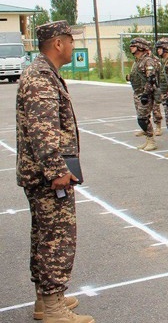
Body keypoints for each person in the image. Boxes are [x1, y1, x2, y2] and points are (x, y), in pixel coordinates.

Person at [16, 20, 94, 323]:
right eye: (70, 41)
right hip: (48, 175)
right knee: (56, 239)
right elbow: (42, 130)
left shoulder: (44, 73)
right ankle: (52, 307)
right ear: (58, 43)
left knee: (45, 236)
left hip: (42, 173)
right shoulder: (41, 78)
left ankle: (48, 299)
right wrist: (56, 169)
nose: (73, 46)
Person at [128, 37, 160, 152]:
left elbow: (150, 78)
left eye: (133, 46)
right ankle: (148, 139)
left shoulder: (147, 60)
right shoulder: (137, 61)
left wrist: (146, 94)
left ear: (140, 47)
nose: (131, 48)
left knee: (143, 118)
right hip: (137, 93)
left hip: (145, 94)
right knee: (141, 118)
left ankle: (151, 140)